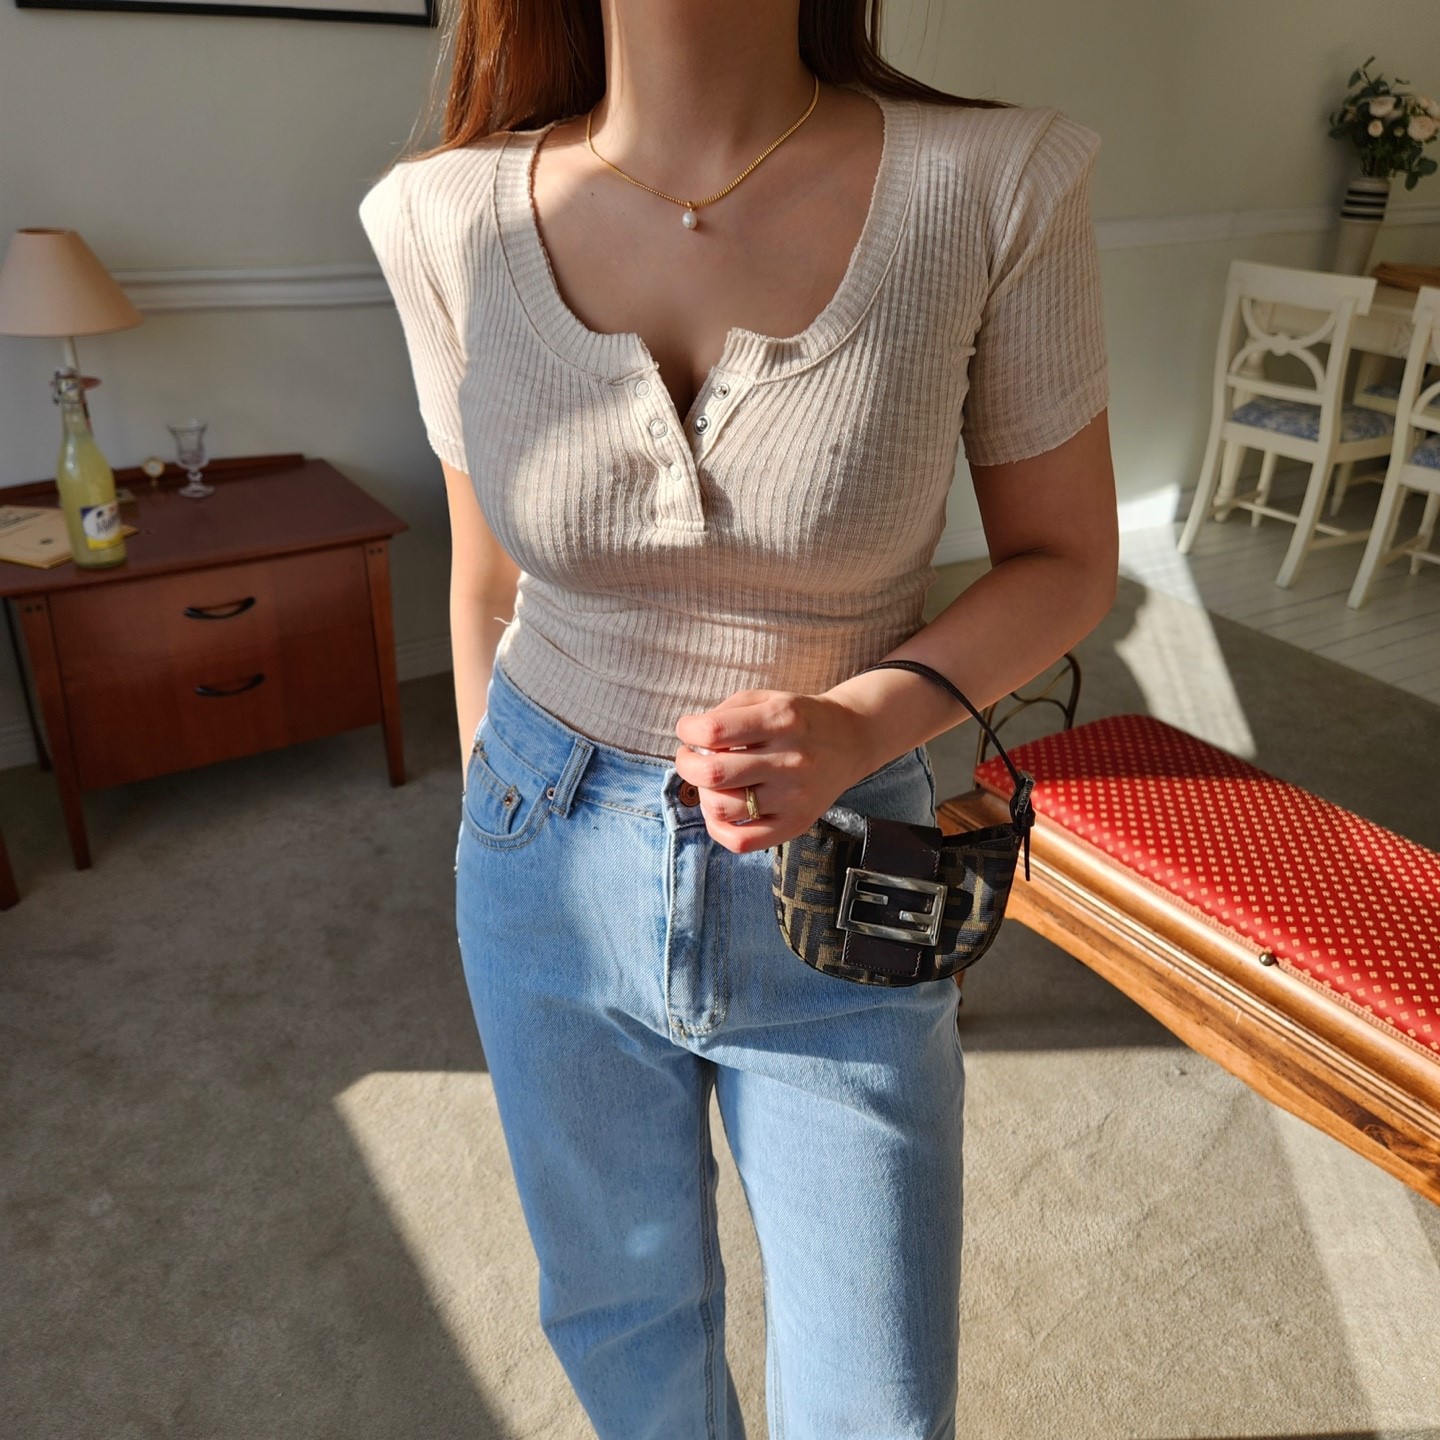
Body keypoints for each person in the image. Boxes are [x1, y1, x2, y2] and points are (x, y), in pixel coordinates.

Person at [359, 1, 1117, 1434]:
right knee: (618, 1321)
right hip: (538, 847)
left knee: (878, 1390)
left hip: (848, 857)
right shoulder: (439, 215)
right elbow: (485, 580)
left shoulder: (990, 187)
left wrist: (861, 726)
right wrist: (493, 824)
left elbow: (1067, 559)